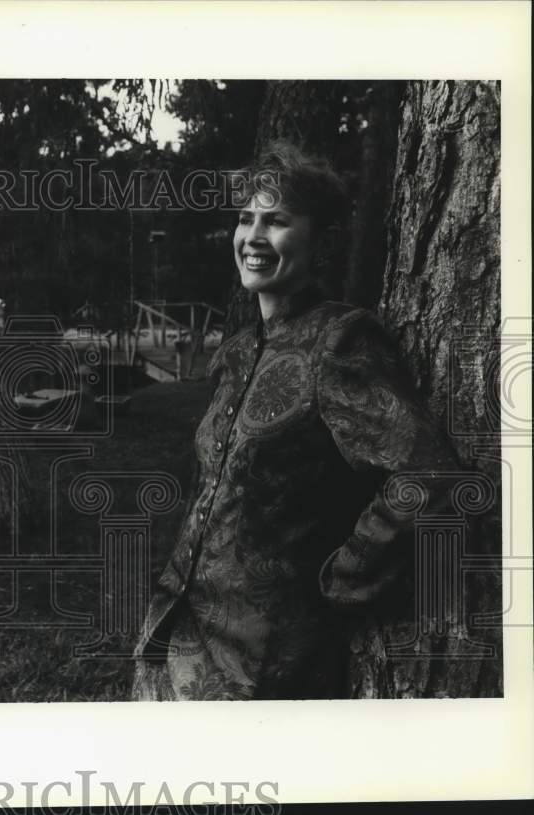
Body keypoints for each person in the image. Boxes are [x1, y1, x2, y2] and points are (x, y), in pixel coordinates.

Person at [132, 142, 459, 701]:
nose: (253, 237)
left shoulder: (340, 341)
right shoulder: (234, 354)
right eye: (245, 218)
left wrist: (344, 577)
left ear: (319, 242)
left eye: (277, 221)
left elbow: (427, 474)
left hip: (261, 669)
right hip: (171, 636)